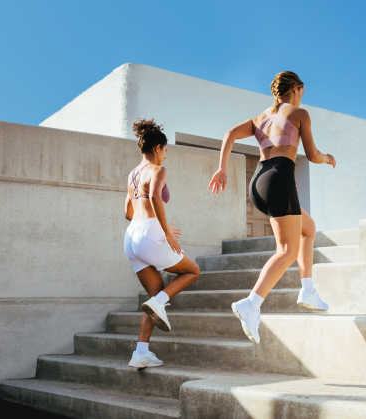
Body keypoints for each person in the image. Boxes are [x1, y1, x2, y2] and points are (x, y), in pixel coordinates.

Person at [208, 71, 336, 344]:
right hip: (279, 178)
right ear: (298, 89)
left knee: (308, 228)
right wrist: (327, 158)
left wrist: (222, 168)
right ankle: (251, 303)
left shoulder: (260, 118)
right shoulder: (299, 114)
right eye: (303, 92)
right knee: (286, 251)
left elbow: (230, 133)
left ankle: (308, 289)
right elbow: (312, 155)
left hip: (259, 182)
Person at [123, 119, 200, 368]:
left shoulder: (132, 174)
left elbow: (127, 211)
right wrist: (166, 231)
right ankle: (159, 303)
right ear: (157, 148)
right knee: (192, 271)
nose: (165, 156)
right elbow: (156, 196)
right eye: (165, 151)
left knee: (155, 296)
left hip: (131, 237)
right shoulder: (158, 170)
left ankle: (141, 352)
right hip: (149, 233)